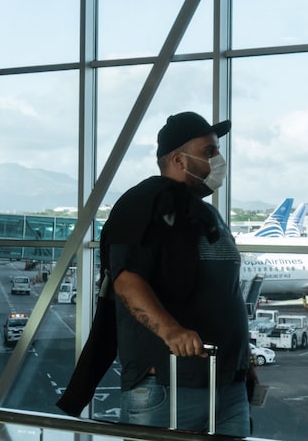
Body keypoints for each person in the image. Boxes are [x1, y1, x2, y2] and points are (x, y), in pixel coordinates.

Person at [104, 111, 251, 436]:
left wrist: (245, 361)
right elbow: (127, 279)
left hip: (227, 384)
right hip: (169, 386)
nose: (218, 160)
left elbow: (225, 292)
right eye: (209, 152)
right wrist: (171, 331)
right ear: (178, 159)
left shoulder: (205, 213)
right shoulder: (143, 204)